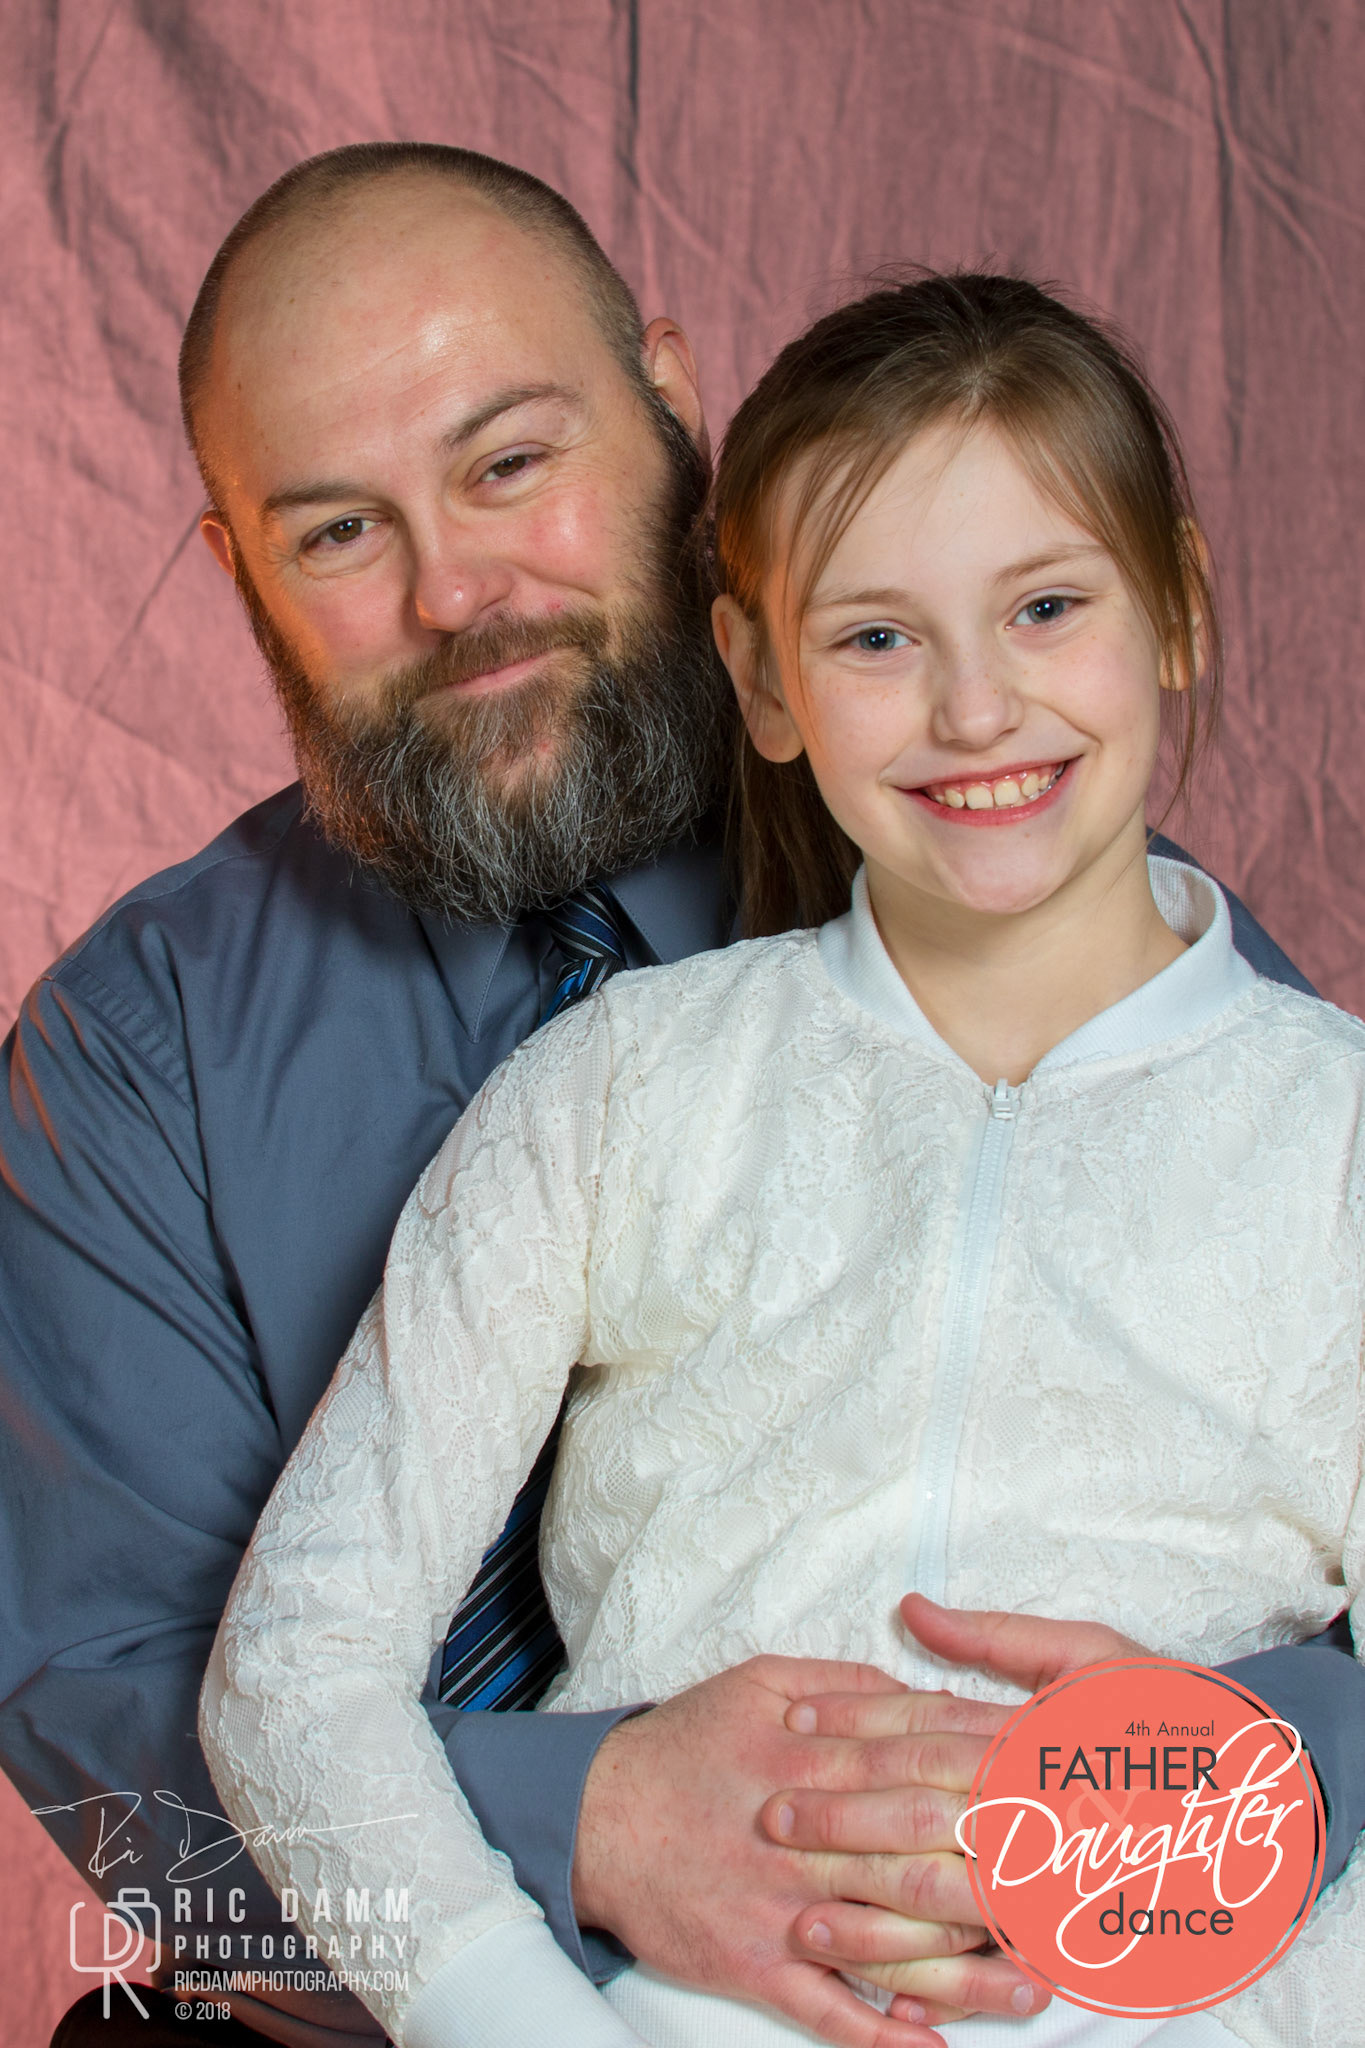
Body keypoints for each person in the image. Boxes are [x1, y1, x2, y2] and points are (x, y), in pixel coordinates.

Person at [0, 145, 1357, 2048]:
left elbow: (1288, 1532)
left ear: (668, 407)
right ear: (240, 576)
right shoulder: (135, 1048)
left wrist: (1208, 1775)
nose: (457, 590)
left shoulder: (1023, 867)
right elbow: (123, 1751)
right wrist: (587, 1828)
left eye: (508, 463)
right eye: (339, 532)